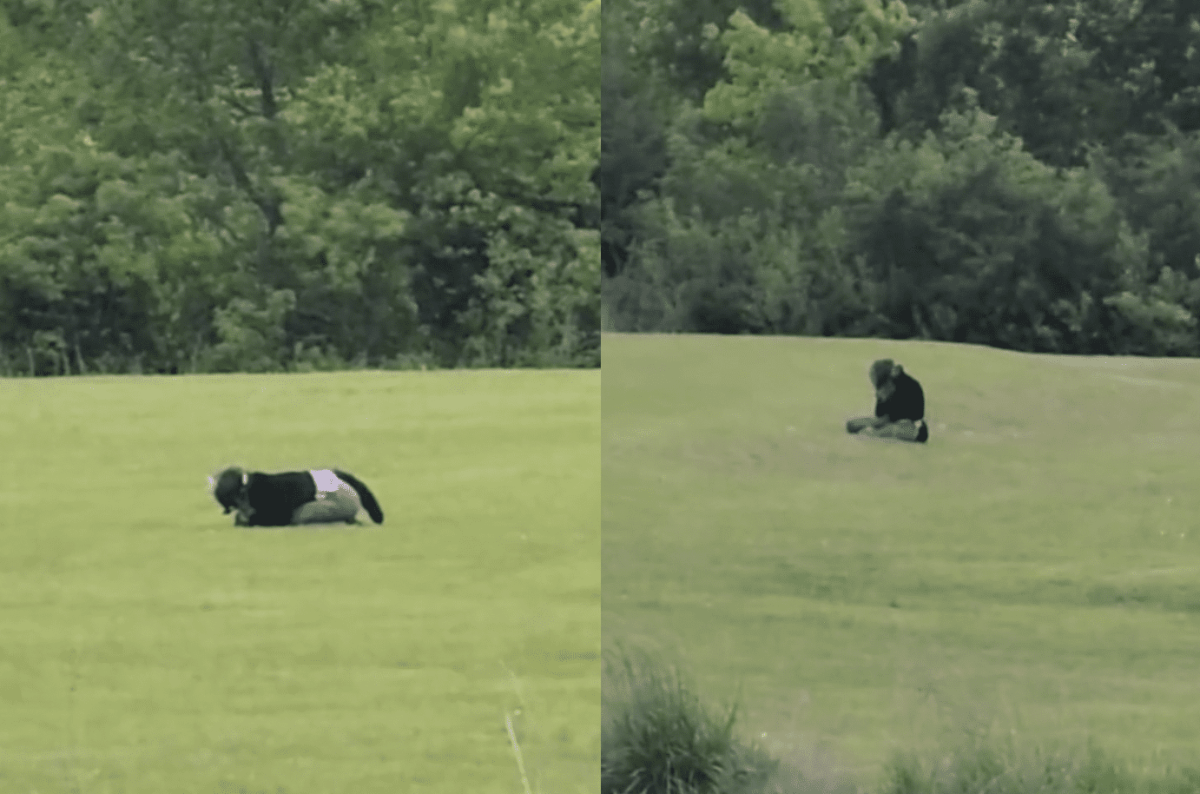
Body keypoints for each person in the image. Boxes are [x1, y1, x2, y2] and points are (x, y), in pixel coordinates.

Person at [845, 358, 929, 443]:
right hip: (892, 421)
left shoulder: (910, 387)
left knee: (894, 428)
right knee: (854, 424)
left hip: (913, 426)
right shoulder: (887, 389)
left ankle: (874, 433)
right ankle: (873, 430)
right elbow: (880, 414)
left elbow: (913, 416)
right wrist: (883, 400)